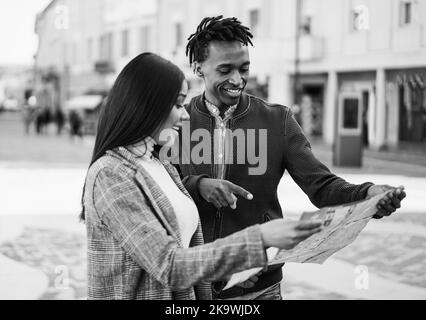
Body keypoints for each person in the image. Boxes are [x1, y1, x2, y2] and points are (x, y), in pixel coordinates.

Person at [177, 16, 406, 300]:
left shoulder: (278, 120)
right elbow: (159, 193)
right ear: (198, 67)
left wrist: (368, 194)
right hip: (195, 286)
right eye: (225, 70)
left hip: (260, 286)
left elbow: (321, 186)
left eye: (244, 68)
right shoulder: (177, 122)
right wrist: (198, 185)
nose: (237, 80)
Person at [80, 52, 323, 300]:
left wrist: (225, 274)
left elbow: (184, 251)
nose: (185, 114)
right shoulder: (112, 174)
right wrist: (261, 238)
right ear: (146, 106)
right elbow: (169, 264)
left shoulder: (158, 164)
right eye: (177, 104)